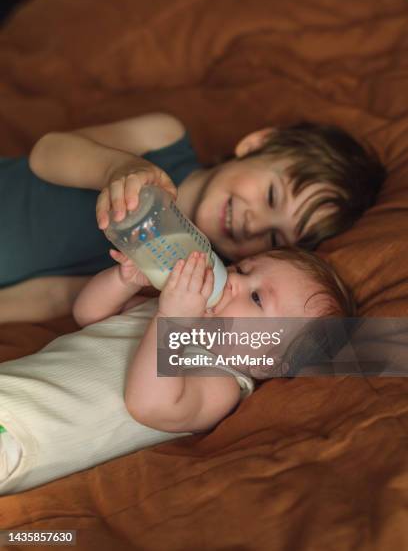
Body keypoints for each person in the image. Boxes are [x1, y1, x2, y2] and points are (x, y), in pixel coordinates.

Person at [0, 246, 355, 495]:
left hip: (25, 435)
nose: (233, 281)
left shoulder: (222, 381)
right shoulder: (171, 312)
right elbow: (90, 316)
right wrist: (126, 279)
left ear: (271, 364)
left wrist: (173, 319)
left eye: (257, 299)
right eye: (244, 269)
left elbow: (150, 405)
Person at [0, 113, 383, 322]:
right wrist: (118, 169)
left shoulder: (186, 273)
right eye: (271, 196)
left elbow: (58, 296)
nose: (255, 223)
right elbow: (46, 152)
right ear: (257, 143)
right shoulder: (163, 139)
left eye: (274, 239)